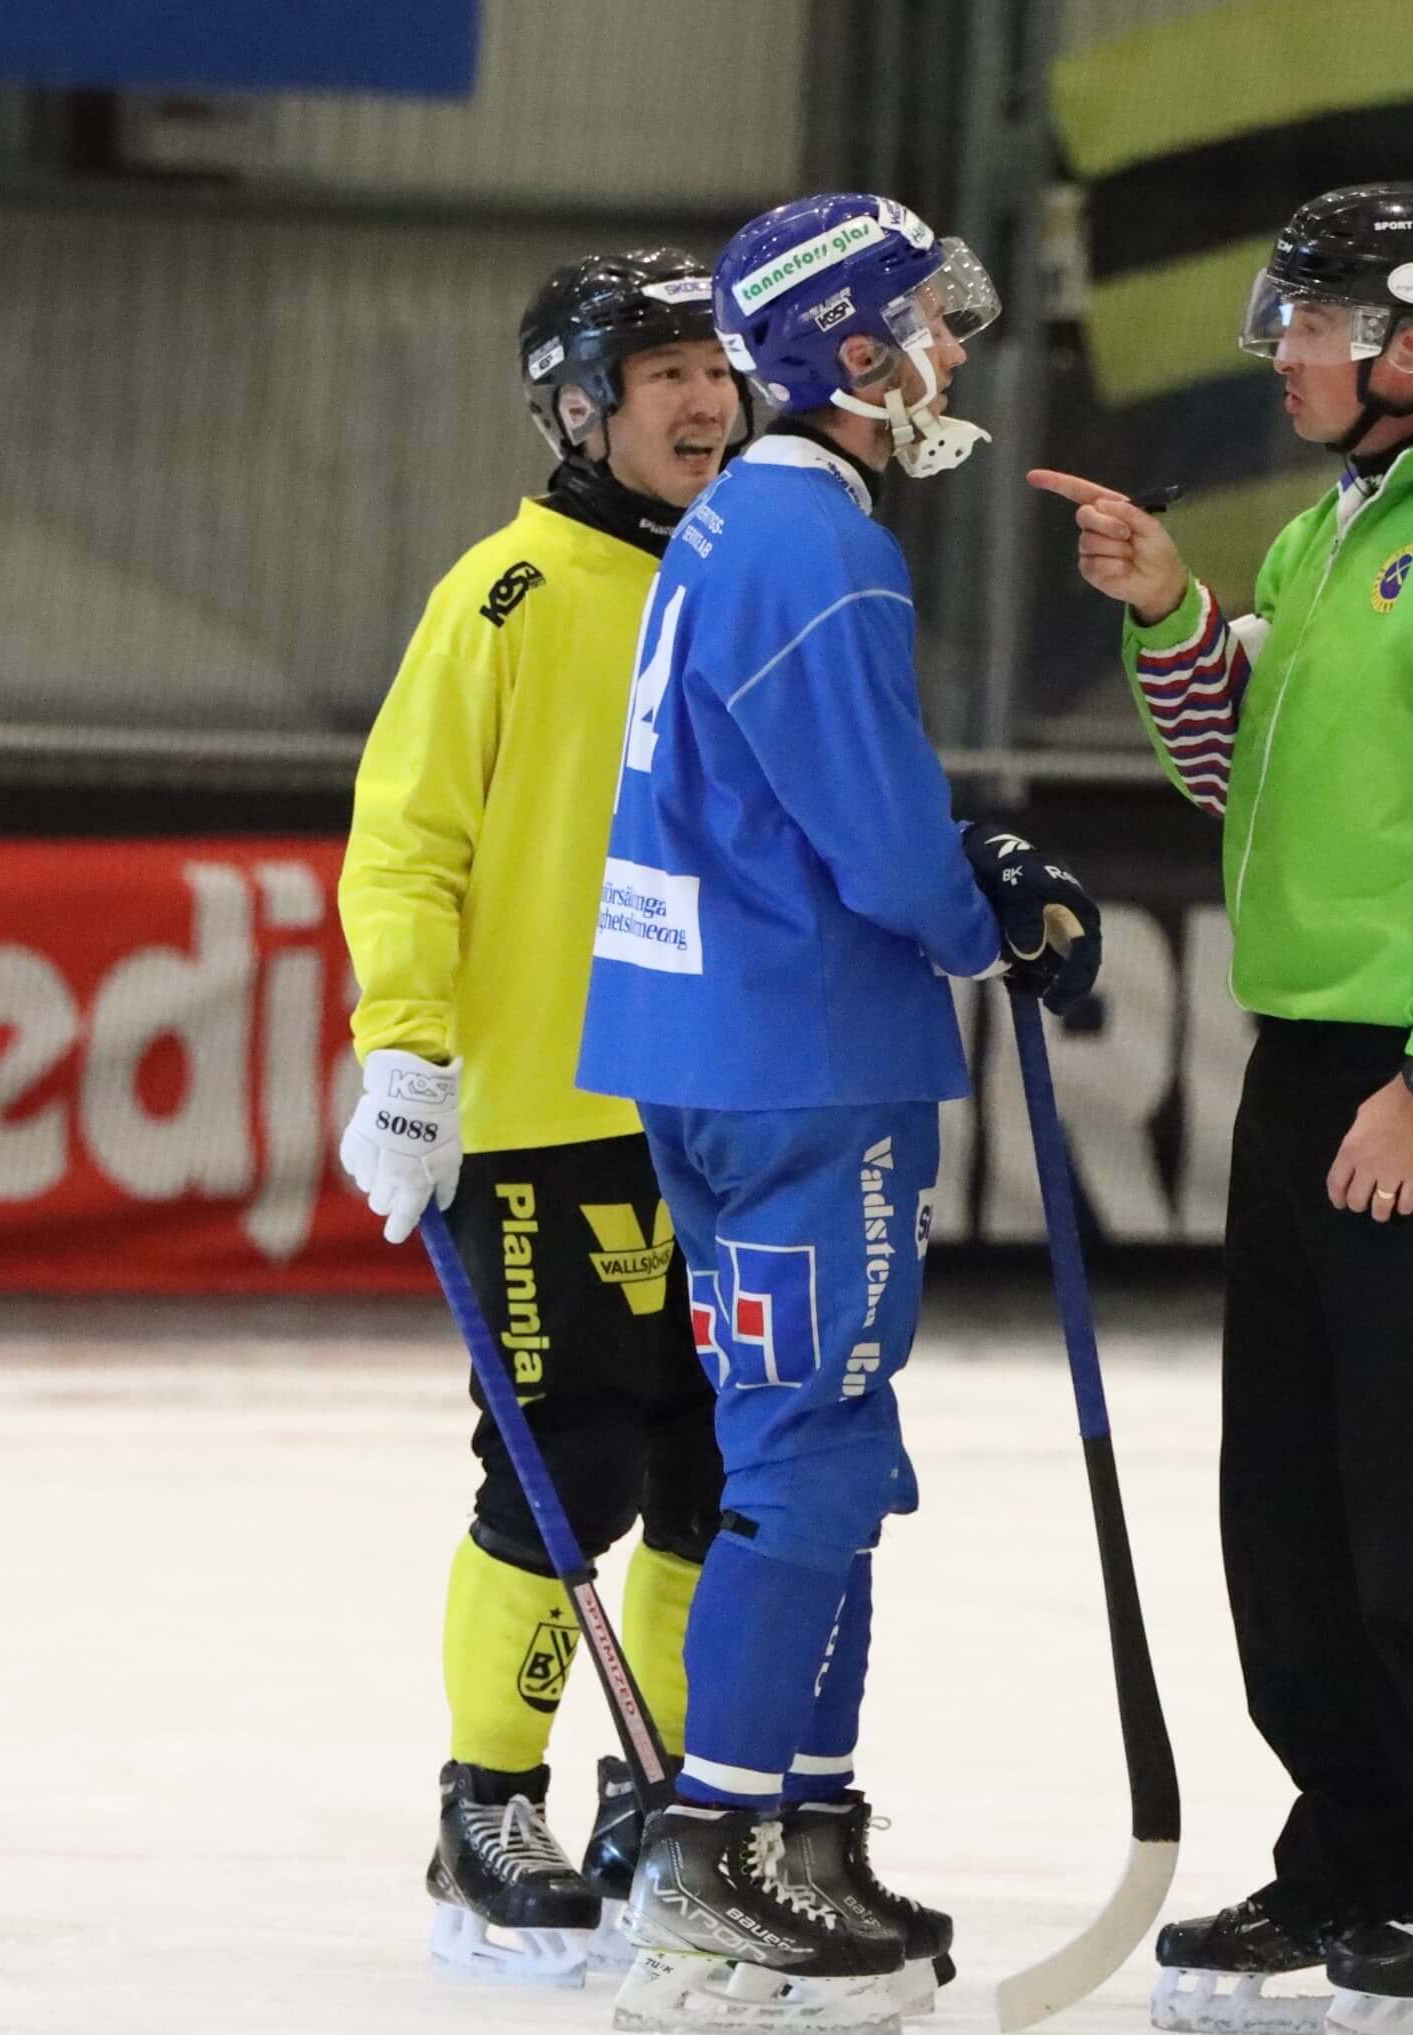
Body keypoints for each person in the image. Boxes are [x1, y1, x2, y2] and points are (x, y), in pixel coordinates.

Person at [1028, 182, 1413, 2035]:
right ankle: (1356, 1851)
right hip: (1304, 1070)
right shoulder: (1328, 530)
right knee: (1285, 1517)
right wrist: (1170, 612)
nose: (1277, 350)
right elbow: (1245, 777)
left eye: (1308, 319)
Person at [576, 191, 1103, 2035]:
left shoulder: (737, 522)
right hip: (805, 1055)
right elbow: (877, 846)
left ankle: (803, 1821)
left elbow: (810, 791)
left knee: (815, 1441)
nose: (947, 354)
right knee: (809, 1450)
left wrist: (959, 865)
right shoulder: (821, 541)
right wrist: (987, 917)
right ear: (847, 349)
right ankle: (717, 1853)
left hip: (711, 1046)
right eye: (924, 324)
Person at [337, 248, 742, 1984]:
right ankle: (487, 1803)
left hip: (716, 1106)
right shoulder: (506, 592)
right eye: (662, 374)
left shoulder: (741, 573)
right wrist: (408, 1053)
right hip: (541, 1118)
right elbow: (405, 839)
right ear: (579, 409)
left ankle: (660, 1785)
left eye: (715, 367)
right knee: (562, 1467)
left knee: (710, 1468)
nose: (704, 399)